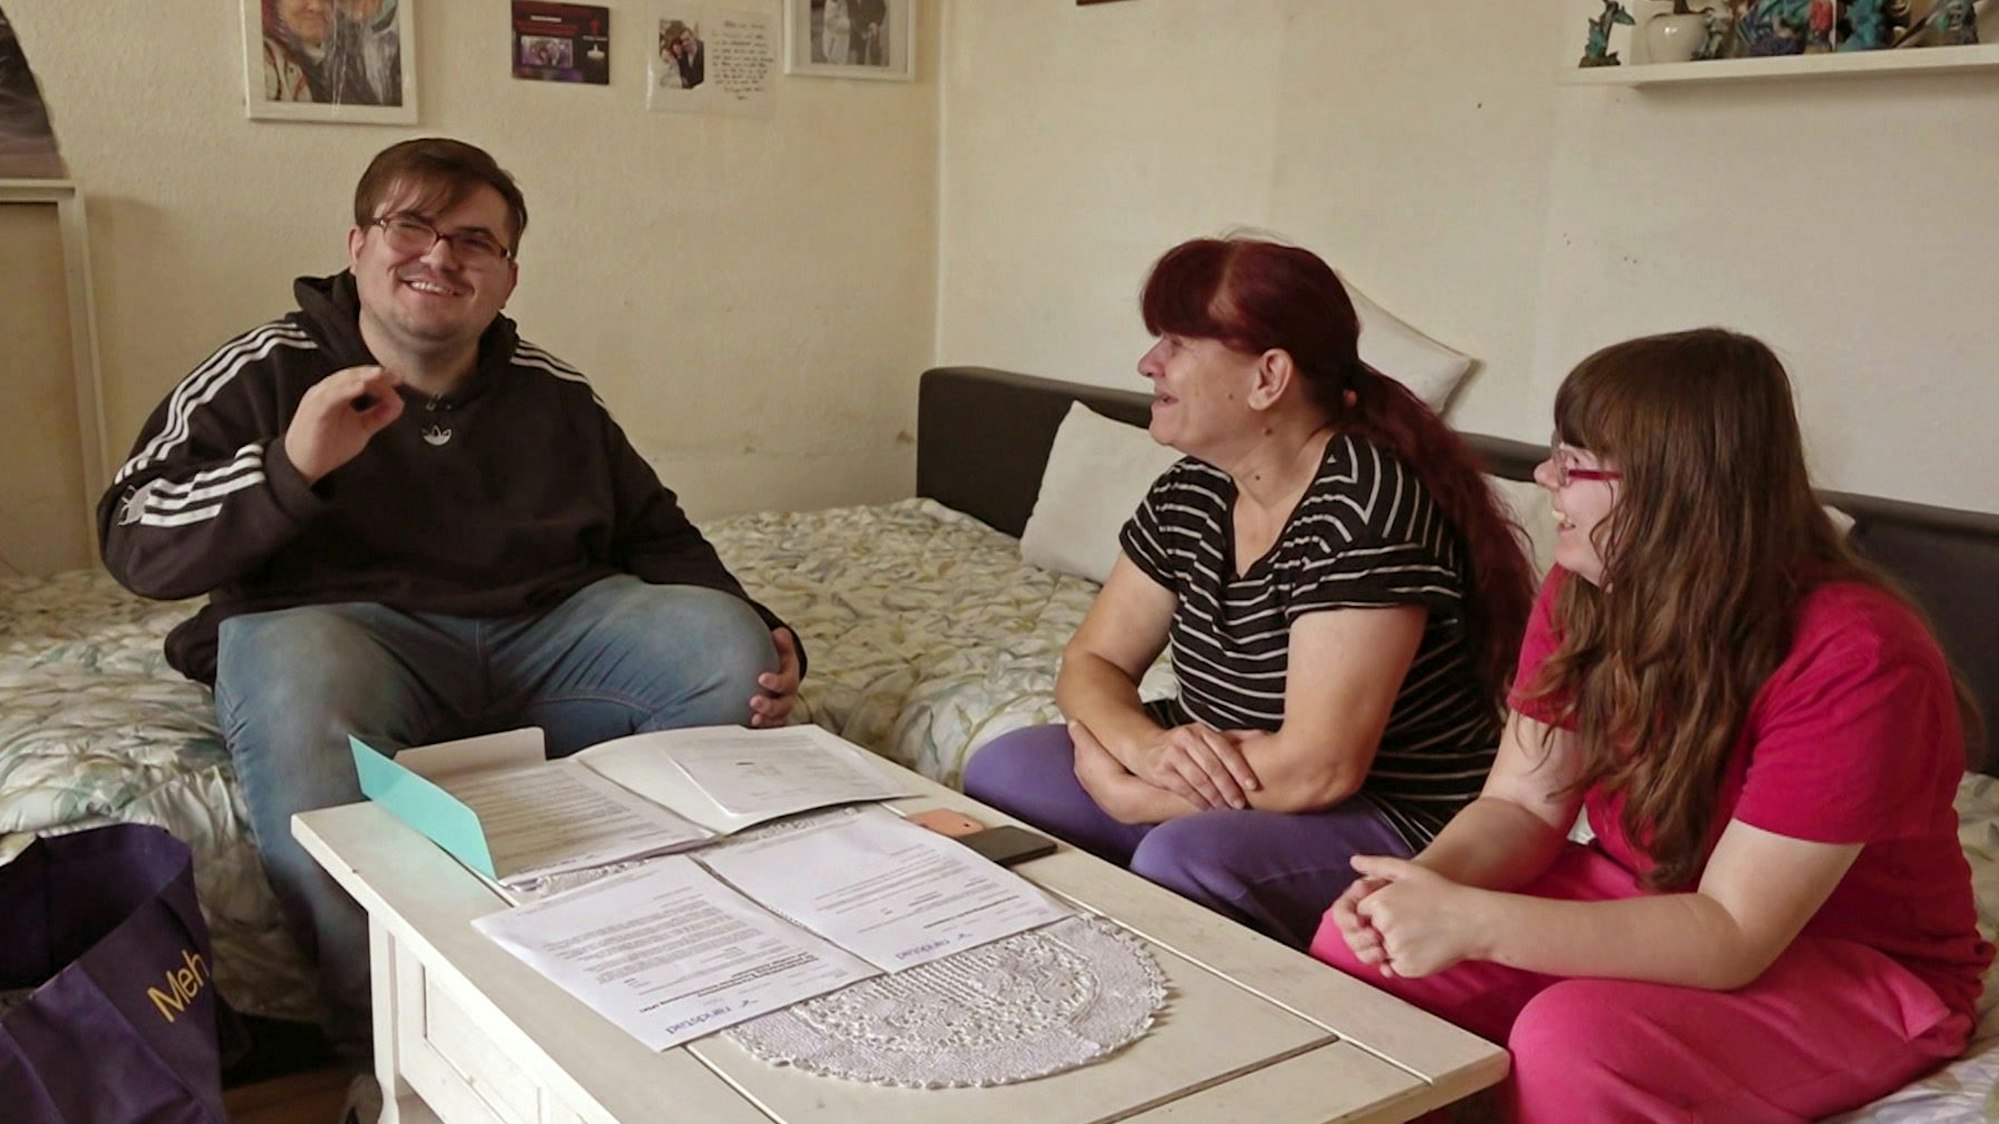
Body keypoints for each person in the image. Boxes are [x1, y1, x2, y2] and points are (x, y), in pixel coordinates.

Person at [97, 139, 804, 1103]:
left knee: (724, 648)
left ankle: (640, 966)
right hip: (347, 640)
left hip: (542, 640)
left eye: (475, 240)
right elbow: (134, 535)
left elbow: (657, 533)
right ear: (358, 245)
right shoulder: (264, 368)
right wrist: (289, 466)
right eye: (412, 227)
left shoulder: (553, 392)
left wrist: (761, 624)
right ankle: (387, 1042)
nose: (440, 256)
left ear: (507, 276)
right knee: (291, 668)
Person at [1313, 328, 1992, 1121]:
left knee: (1576, 1041)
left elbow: (1731, 931)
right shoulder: (1586, 589)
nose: (1544, 479)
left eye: (1572, 463)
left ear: (1676, 489)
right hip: (1645, 891)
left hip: (1849, 961)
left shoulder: (1857, 656)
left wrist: (1476, 924)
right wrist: (1419, 892)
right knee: (1356, 952)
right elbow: (1521, 806)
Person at [962, 236, 1536, 948]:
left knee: (1185, 858)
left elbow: (1319, 767)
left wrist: (1141, 797)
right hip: (1227, 775)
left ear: (1268, 377)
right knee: (1007, 770)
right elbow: (1092, 662)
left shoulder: (1364, 505)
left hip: (1384, 809)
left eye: (1177, 343)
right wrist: (1143, 748)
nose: (1149, 363)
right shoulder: (1193, 489)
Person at [821, 0, 852, 65]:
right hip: (833, 41)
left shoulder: (845, 3)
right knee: (833, 62)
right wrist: (849, 23)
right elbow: (829, 22)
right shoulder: (831, 3)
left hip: (844, 42)